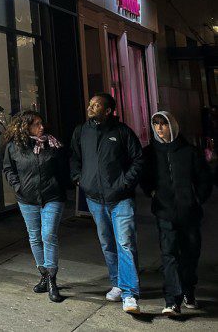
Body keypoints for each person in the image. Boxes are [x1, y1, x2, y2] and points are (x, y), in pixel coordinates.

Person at [70, 92, 144, 314]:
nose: (90, 107)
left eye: (96, 105)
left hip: (121, 199)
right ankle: (117, 283)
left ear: (109, 110)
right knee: (107, 244)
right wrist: (79, 178)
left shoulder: (122, 132)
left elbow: (138, 160)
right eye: (90, 103)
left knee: (125, 243)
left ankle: (130, 293)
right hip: (94, 199)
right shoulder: (82, 131)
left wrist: (124, 184)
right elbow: (74, 157)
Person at [140, 111, 213, 316]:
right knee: (169, 255)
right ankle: (172, 300)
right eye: (155, 125)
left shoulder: (190, 152)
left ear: (172, 125)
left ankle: (189, 290)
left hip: (190, 213)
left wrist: (196, 199)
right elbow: (144, 177)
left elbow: (205, 179)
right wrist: (152, 193)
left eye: (163, 124)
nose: (159, 129)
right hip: (164, 213)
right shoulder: (150, 153)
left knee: (190, 254)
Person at [2, 110, 70, 302]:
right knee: (34, 236)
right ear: (25, 127)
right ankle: (44, 274)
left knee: (48, 235)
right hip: (27, 199)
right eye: (36, 124)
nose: (42, 127)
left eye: (42, 123)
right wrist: (18, 187)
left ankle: (52, 280)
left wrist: (62, 184)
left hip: (52, 196)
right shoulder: (14, 147)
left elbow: (63, 167)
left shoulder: (52, 143)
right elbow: (8, 168)